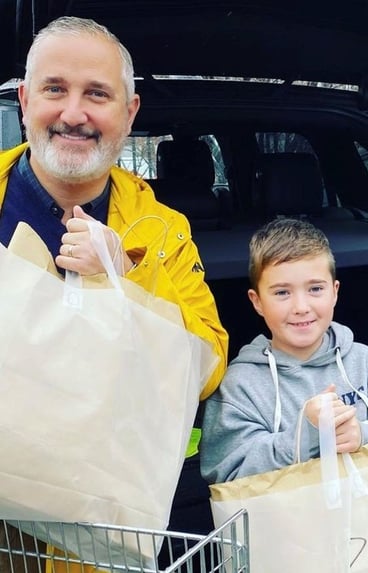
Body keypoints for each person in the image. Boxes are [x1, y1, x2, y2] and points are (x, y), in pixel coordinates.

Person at [0, 16, 228, 571]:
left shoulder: (162, 228)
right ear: (26, 100)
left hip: (99, 518)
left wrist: (124, 278)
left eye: (97, 94)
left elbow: (207, 364)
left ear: (128, 113)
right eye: (55, 89)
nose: (74, 113)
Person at [200, 218, 368, 482]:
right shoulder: (240, 385)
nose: (301, 306)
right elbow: (226, 475)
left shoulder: (364, 363)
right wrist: (308, 434)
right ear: (257, 302)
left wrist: (362, 437)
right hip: (284, 522)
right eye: (281, 293)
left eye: (315, 289)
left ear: (334, 292)